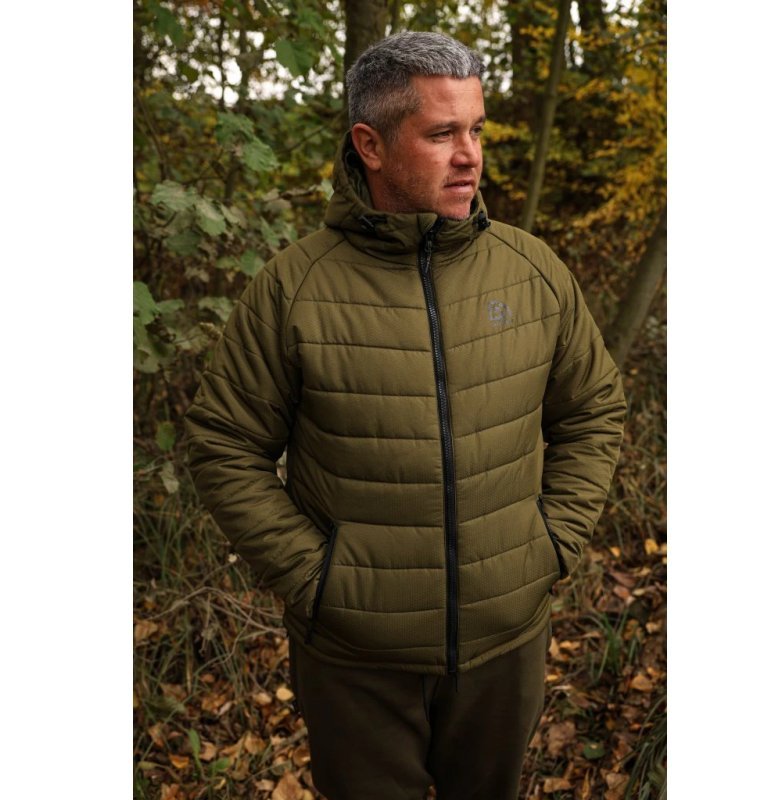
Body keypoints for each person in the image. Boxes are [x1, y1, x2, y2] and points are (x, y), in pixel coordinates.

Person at [185, 30, 626, 800]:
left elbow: (593, 411)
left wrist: (550, 543)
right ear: (372, 145)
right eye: (442, 133)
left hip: (504, 647)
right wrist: (320, 580)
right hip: (357, 660)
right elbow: (224, 445)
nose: (471, 156)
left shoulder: (534, 273)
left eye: (477, 129)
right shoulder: (295, 287)